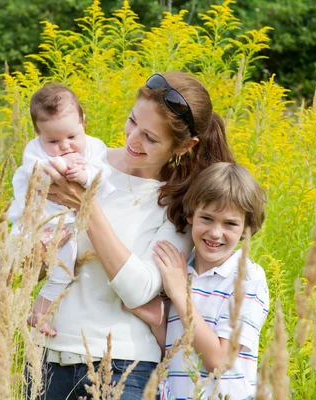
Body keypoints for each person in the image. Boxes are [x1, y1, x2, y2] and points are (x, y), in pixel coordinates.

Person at [34, 72, 235, 399]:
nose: (133, 140)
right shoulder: (82, 161)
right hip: (47, 356)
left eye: (151, 138)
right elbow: (35, 261)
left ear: (184, 146)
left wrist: (87, 207)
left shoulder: (180, 204)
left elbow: (140, 289)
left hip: (124, 367)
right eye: (132, 122)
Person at [0, 83, 111, 336]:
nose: (65, 146)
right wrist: (62, 164)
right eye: (53, 141)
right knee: (15, 243)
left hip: (69, 228)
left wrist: (84, 175)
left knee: (64, 271)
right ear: (38, 133)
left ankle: (40, 311)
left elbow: (102, 176)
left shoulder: (95, 146)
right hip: (38, 219)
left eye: (72, 137)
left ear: (83, 121)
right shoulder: (35, 149)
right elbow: (36, 174)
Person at [146, 162, 268, 400]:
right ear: (191, 214)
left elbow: (219, 362)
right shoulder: (180, 270)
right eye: (207, 218)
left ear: (246, 228)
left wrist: (180, 295)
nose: (215, 232)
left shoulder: (248, 278)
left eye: (230, 223)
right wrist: (157, 324)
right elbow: (177, 351)